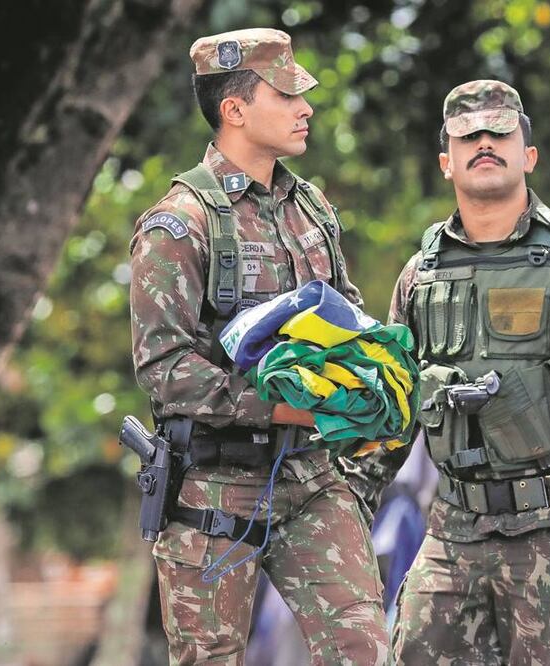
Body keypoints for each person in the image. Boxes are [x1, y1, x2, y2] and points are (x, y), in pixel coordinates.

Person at [345, 79, 550, 665]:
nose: (484, 144)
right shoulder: (421, 275)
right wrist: (345, 510)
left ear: (529, 155)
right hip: (453, 529)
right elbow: (394, 410)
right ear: (447, 162)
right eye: (468, 136)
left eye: (500, 134)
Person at [129, 28, 388, 665]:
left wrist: (367, 384)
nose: (306, 108)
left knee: (364, 649)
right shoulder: (179, 224)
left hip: (313, 476)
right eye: (287, 96)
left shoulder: (312, 208)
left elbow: (347, 321)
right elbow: (163, 368)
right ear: (235, 109)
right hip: (214, 486)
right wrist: (279, 406)